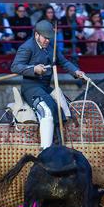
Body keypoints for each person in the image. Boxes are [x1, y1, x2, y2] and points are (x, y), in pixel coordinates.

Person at [10, 20, 85, 149]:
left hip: (45, 87)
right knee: (47, 111)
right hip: (31, 87)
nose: (47, 41)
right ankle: (45, 150)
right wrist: (34, 69)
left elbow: (64, 62)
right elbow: (15, 67)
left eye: (49, 38)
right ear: (36, 35)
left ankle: (63, 143)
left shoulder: (51, 46)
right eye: (45, 37)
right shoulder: (27, 47)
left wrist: (76, 71)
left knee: (65, 108)